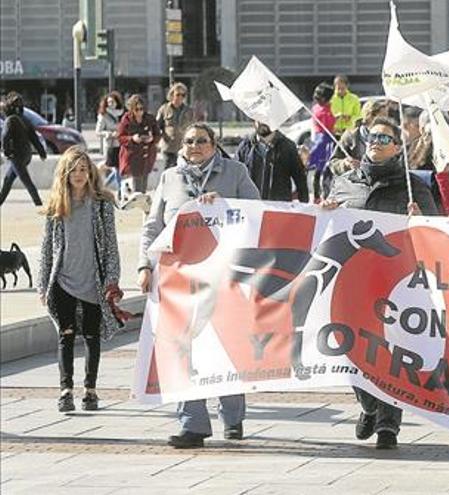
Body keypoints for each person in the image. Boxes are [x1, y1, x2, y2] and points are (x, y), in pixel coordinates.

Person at [138, 123, 260, 449]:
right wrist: (144, 265)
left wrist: (224, 204)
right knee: (181, 347)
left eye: (201, 141)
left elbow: (257, 212)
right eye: (189, 140)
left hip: (224, 277)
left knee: (225, 345)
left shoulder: (235, 172)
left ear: (214, 144)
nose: (194, 146)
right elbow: (153, 227)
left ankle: (233, 415)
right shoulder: (170, 178)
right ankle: (193, 424)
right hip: (180, 279)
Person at [323, 117, 437, 449]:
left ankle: (389, 425)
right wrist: (325, 211)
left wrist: (422, 218)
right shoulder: (344, 183)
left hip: (394, 282)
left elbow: (435, 232)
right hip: (351, 280)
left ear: (397, 147)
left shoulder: (413, 186)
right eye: (371, 135)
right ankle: (369, 405)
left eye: (384, 137)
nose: (376, 140)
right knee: (348, 346)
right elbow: (327, 228)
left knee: (389, 350)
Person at [37, 147, 121, 413]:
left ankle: (90, 390)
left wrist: (112, 280)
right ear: (65, 172)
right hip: (63, 281)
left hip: (93, 281)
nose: (79, 174)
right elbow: (46, 249)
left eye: (84, 169)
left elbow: (111, 245)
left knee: (92, 336)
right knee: (66, 335)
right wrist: (42, 284)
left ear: (90, 172)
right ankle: (65, 390)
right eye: (73, 169)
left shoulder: (102, 204)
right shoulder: (56, 205)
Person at [235, 120, 309, 202]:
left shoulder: (288, 147)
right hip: (251, 208)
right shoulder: (245, 146)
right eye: (259, 118)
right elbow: (234, 178)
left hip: (278, 210)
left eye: (266, 119)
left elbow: (300, 181)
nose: (262, 122)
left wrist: (305, 208)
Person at [0, 91, 46, 206]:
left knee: (27, 181)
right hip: (27, 155)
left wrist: (6, 152)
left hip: (16, 156)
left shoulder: (10, 120)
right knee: (8, 180)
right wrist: (41, 152)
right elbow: (34, 137)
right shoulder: (24, 119)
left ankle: (38, 203)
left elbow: (5, 137)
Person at [328, 98, 389, 177]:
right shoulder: (352, 135)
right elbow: (333, 162)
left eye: (386, 117)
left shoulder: (390, 135)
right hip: (357, 184)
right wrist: (345, 164)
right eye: (382, 117)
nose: (386, 121)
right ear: (369, 116)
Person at [118, 94, 160, 194]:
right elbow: (120, 137)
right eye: (136, 109)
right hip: (133, 156)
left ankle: (142, 201)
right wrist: (132, 138)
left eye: (141, 109)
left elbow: (157, 134)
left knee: (144, 182)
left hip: (147, 155)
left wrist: (151, 139)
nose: (139, 112)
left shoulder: (150, 118)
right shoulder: (126, 119)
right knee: (136, 185)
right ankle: (135, 203)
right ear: (132, 109)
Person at [156, 82, 195, 170]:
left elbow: (193, 128)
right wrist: (163, 137)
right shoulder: (164, 109)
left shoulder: (189, 111)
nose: (180, 97)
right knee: (168, 172)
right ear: (172, 95)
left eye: (183, 95)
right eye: (178, 94)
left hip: (184, 148)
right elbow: (157, 126)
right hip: (169, 147)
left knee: (182, 173)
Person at [308, 83, 336, 201]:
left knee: (323, 171)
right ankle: (318, 196)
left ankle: (321, 195)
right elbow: (328, 124)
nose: (316, 97)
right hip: (321, 140)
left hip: (325, 140)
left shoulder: (322, 108)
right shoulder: (321, 109)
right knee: (319, 170)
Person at [96, 91, 124, 191]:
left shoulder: (122, 114)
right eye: (109, 102)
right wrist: (108, 133)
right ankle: (121, 190)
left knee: (119, 168)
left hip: (121, 144)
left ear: (117, 102)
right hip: (111, 145)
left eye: (113, 102)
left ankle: (105, 185)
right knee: (116, 167)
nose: (111, 104)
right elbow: (98, 131)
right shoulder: (103, 115)